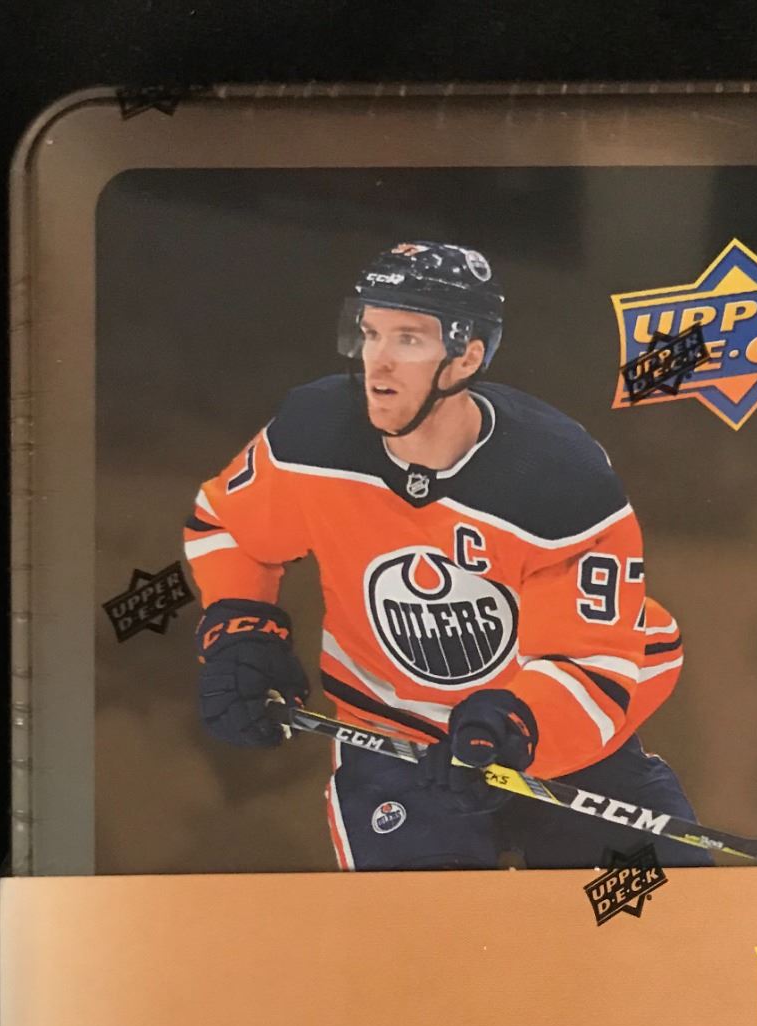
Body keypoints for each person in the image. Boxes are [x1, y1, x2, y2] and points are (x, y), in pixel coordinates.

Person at [186, 240, 709, 870]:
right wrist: (243, 629)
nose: (378, 362)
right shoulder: (311, 434)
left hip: (552, 740)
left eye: (408, 339)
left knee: (649, 912)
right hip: (394, 737)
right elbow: (230, 526)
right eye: (370, 333)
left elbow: (592, 659)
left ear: (467, 356)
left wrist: (516, 724)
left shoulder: (559, 475)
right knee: (428, 931)